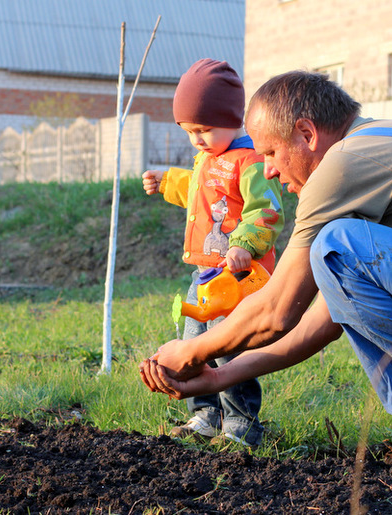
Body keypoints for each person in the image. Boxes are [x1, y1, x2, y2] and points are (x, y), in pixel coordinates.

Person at [139, 70, 392, 466]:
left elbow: (277, 312)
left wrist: (193, 350)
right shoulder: (389, 144)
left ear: (307, 133)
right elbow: (325, 318)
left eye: (270, 152)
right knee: (339, 250)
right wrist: (219, 377)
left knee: (336, 242)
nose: (267, 168)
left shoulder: (344, 162)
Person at [141, 59, 285, 449]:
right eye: (190, 132)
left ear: (232, 119)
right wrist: (168, 181)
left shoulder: (251, 160)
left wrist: (244, 245)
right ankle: (204, 415)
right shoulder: (208, 158)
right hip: (203, 276)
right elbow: (199, 190)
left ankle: (241, 424)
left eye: (204, 130)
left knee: (226, 350)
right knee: (192, 345)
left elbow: (267, 211)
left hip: (237, 280)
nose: (198, 139)